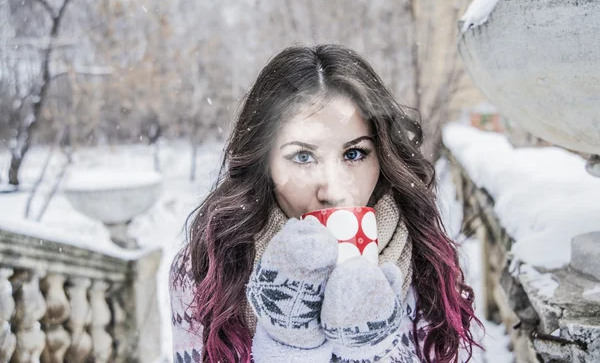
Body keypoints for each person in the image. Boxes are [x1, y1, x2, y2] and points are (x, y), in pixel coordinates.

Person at [169, 44, 482, 363]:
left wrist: (370, 349)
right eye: (303, 157)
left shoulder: (424, 257)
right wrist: (288, 345)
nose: (333, 190)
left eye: (354, 154)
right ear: (264, 164)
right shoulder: (211, 265)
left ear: (382, 157)